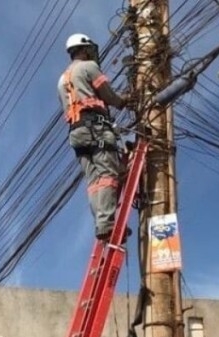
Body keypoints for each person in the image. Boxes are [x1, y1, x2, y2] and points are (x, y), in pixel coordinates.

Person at [58, 33, 132, 242]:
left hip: (76, 134)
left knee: (94, 181)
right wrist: (123, 101)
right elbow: (108, 95)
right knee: (108, 174)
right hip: (96, 128)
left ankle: (101, 223)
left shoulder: (62, 80)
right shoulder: (89, 67)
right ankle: (107, 224)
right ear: (84, 49)